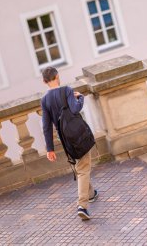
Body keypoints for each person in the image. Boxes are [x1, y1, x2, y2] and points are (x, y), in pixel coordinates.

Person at [40, 66, 98, 221]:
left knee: (80, 166)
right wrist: (80, 98)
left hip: (65, 140)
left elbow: (46, 126)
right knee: (83, 168)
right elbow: (75, 108)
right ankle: (82, 206)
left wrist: (50, 149)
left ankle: (91, 193)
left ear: (44, 81)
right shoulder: (66, 90)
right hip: (78, 135)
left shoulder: (45, 100)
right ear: (57, 76)